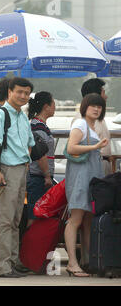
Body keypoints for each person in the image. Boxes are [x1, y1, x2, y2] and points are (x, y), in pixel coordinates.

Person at [0, 77, 35, 278]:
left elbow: (30, 142)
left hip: (21, 170)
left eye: (26, 93)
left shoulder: (22, 116)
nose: (23, 96)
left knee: (15, 220)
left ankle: (12, 262)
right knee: (3, 220)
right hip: (6, 170)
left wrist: (26, 160)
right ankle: (1, 266)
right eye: (19, 92)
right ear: (9, 92)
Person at [64, 93, 108, 277]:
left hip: (90, 177)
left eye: (99, 106)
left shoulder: (92, 126)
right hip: (81, 177)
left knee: (88, 220)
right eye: (93, 106)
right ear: (85, 107)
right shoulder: (80, 124)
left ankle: (88, 261)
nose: (97, 109)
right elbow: (71, 147)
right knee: (76, 219)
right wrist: (94, 147)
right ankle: (73, 262)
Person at [26, 91, 56, 226]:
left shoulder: (41, 125)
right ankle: (29, 244)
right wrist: (47, 176)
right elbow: (40, 154)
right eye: (53, 103)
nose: (55, 106)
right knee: (34, 214)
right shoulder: (37, 127)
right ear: (46, 106)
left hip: (40, 177)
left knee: (38, 213)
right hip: (38, 177)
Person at [72, 79, 111, 175]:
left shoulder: (97, 116)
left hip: (101, 163)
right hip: (93, 165)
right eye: (103, 93)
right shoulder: (83, 119)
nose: (106, 97)